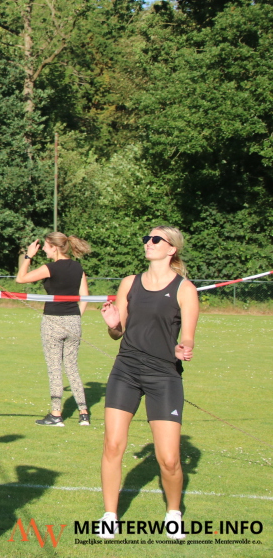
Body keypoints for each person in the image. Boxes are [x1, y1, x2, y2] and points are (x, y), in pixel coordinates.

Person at [97, 226, 198, 541]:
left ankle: (173, 513)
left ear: (172, 249)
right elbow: (118, 332)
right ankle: (110, 516)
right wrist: (113, 324)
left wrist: (184, 347)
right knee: (113, 445)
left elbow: (188, 337)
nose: (148, 243)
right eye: (146, 239)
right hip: (125, 370)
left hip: (163, 376)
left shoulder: (185, 289)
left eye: (156, 240)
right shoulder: (129, 283)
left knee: (169, 459)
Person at [15, 232, 92, 426]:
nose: (44, 250)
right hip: (74, 321)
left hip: (52, 322)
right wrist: (76, 317)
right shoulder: (78, 267)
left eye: (46, 246)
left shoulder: (50, 268)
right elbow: (85, 296)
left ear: (55, 247)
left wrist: (29, 256)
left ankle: (56, 414)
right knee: (72, 367)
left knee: (55, 368)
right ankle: (84, 413)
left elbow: (21, 278)